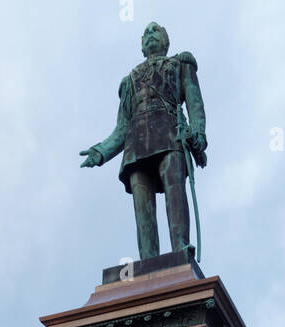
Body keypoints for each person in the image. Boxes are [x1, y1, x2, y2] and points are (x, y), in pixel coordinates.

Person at [79, 21, 207, 261]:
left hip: (171, 135)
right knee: (142, 208)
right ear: (141, 46)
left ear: (165, 41)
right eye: (145, 33)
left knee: (175, 192)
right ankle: (148, 262)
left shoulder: (180, 64)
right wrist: (100, 152)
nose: (149, 35)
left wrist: (198, 134)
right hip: (136, 145)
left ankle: (181, 250)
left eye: (155, 31)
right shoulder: (129, 81)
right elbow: (122, 128)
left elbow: (195, 103)